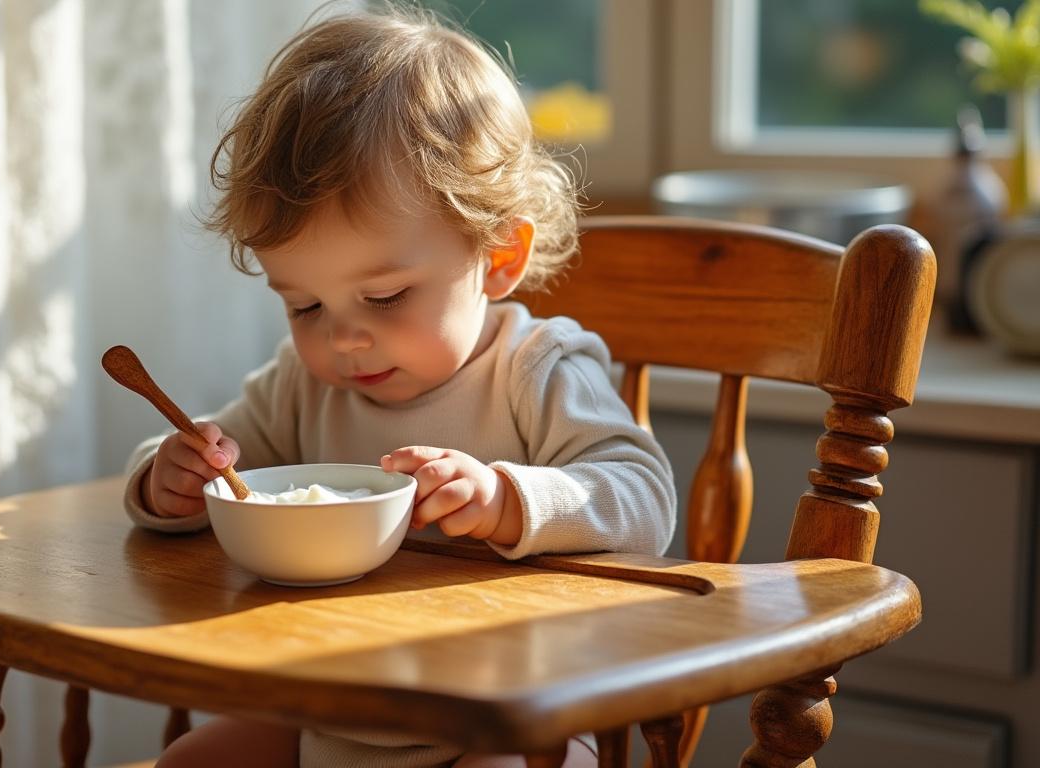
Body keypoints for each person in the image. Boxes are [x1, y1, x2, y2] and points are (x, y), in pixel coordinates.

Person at [122, 6, 676, 767]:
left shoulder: (534, 370)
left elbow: (643, 496)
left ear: (499, 255)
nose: (342, 339)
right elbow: (224, 468)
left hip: (501, 725)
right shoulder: (301, 386)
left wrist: (507, 499)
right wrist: (169, 480)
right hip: (320, 712)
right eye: (305, 305)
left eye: (383, 298)